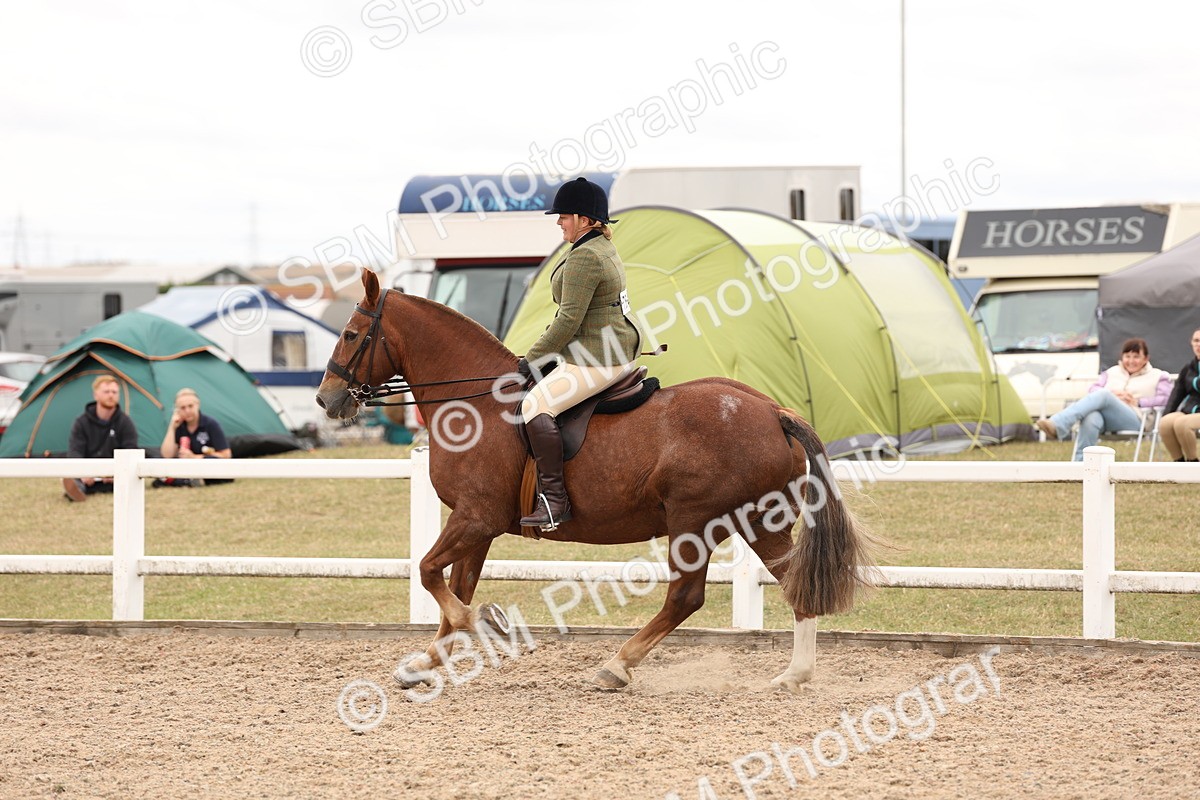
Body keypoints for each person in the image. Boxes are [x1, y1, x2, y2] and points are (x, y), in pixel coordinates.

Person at [515, 177, 642, 531]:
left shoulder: (586, 255)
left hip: (599, 356)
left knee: (535, 406)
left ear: (584, 219)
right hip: (608, 345)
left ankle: (555, 502)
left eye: (564, 216)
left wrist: (531, 359)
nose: (558, 221)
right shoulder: (598, 245)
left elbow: (569, 319)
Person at [1035, 338, 1171, 461]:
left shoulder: (1158, 376)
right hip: (1107, 418)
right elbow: (1093, 389)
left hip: (1136, 419)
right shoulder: (1112, 372)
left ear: (1146, 358)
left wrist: (1139, 402)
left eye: (1136, 356)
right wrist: (1114, 395)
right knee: (1091, 416)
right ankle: (1081, 465)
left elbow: (1165, 399)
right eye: (1127, 356)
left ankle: (1058, 424)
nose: (1131, 361)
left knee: (1104, 395)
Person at [62, 374, 139, 502]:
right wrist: (84, 472)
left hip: (114, 474)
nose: (111, 395)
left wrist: (116, 472)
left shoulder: (125, 422)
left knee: (129, 478)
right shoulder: (81, 422)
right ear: (95, 395)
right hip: (88, 475)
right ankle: (76, 491)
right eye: (106, 391)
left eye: (114, 392)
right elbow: (75, 451)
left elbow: (131, 450)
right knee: (74, 475)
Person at [157, 388, 232, 486]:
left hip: (207, 467)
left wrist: (194, 457)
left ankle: (191, 481)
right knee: (159, 470)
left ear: (198, 405)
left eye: (190, 406)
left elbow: (226, 455)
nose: (187, 411)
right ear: (177, 410)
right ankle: (189, 481)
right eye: (182, 408)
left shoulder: (210, 424)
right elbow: (167, 455)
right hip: (186, 469)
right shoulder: (179, 426)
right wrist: (172, 428)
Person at [1158, 328, 1200, 462]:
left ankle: (1193, 463)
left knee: (1182, 423)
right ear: (1191, 343)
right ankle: (1179, 464)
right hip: (1189, 411)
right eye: (1196, 341)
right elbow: (1176, 394)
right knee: (1165, 423)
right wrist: (1167, 413)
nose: (1199, 344)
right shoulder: (1188, 368)